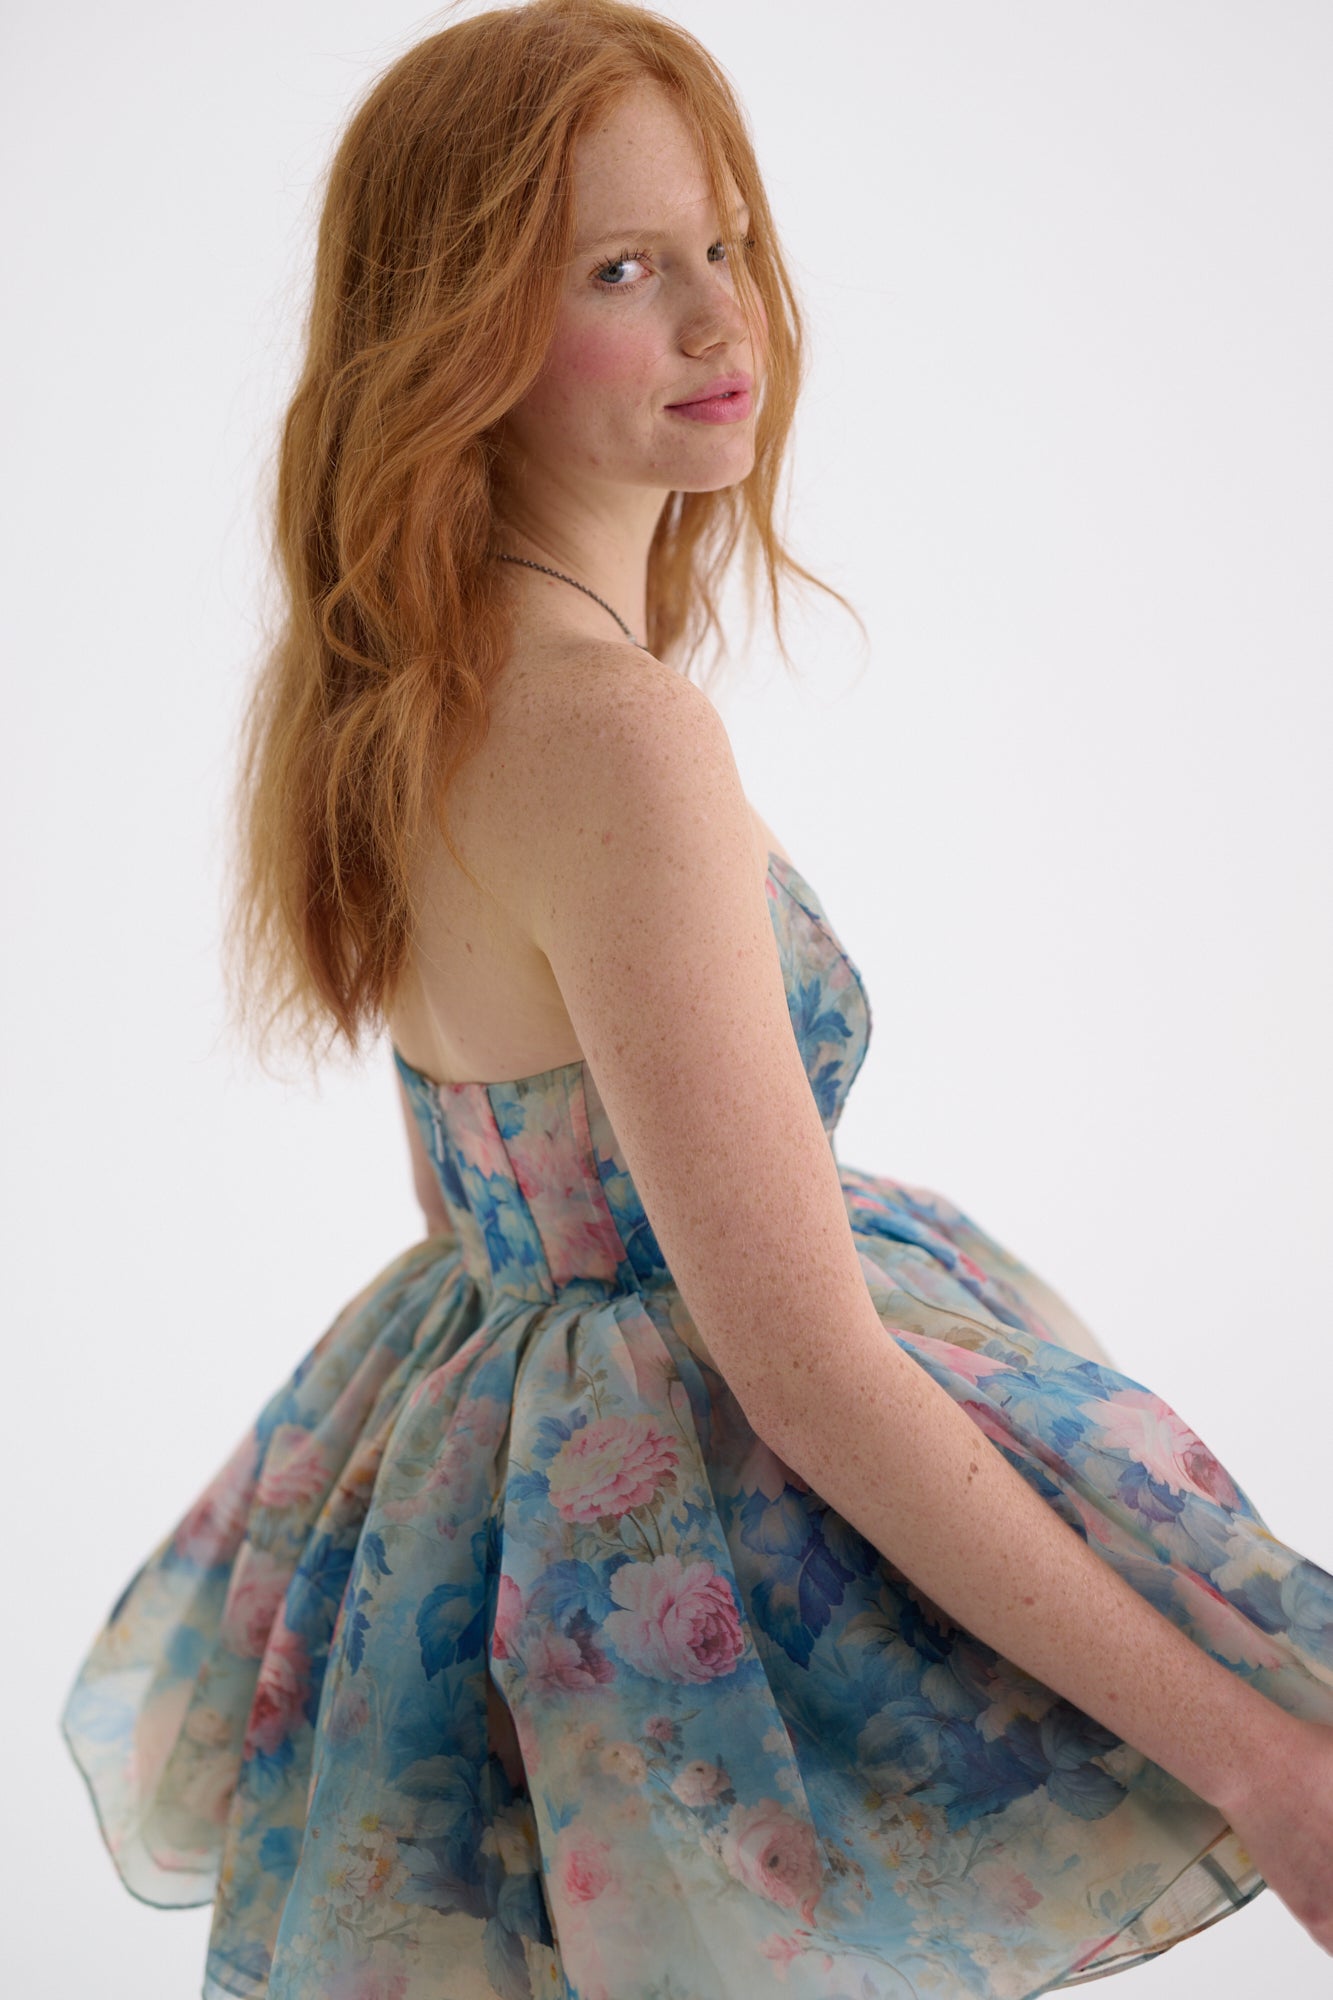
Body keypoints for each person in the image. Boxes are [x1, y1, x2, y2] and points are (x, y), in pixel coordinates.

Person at [60, 3, 1333, 1996]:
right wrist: (1260, 1764)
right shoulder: (613, 734)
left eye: (722, 243)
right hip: (681, 1587)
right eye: (619, 271)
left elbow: (466, 1204)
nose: (719, 318)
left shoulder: (403, 697)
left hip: (491, 1525)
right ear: (458, 330)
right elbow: (801, 1366)